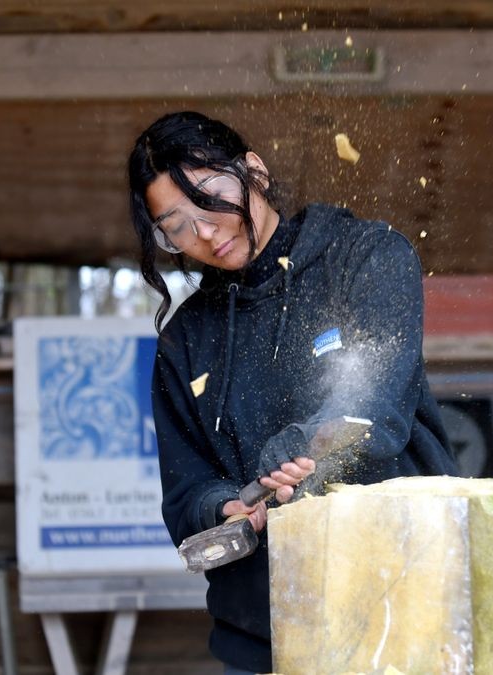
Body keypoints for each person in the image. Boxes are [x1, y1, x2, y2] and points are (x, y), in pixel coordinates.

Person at [128, 111, 457, 674]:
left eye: (210, 197)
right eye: (175, 225)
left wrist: (306, 446)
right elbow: (186, 495)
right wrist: (226, 508)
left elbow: (374, 403)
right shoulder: (186, 340)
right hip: (264, 636)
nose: (203, 232)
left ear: (252, 171)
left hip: (405, 610)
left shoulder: (365, 256)